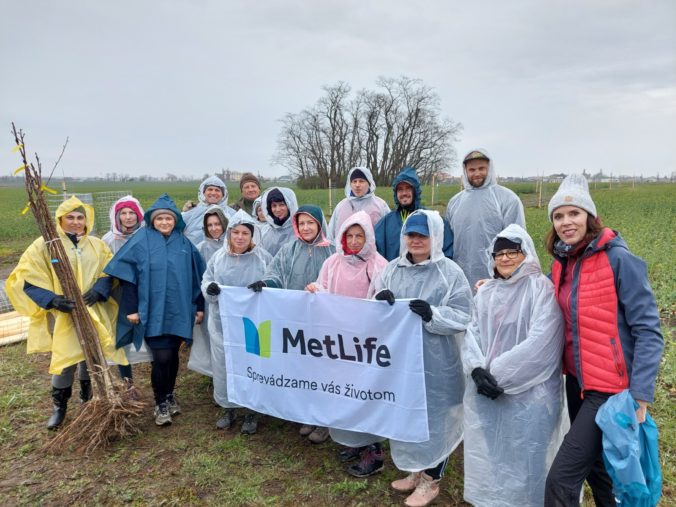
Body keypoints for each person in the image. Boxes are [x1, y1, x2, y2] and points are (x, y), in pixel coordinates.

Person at [543, 175, 664, 506]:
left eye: (574, 213)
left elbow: (649, 331)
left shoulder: (618, 260)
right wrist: (497, 283)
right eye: (559, 216)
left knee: (561, 480)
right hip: (577, 382)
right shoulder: (561, 265)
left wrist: (640, 396)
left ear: (589, 217)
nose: (566, 222)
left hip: (610, 390)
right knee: (599, 470)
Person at [373, 210, 472, 507]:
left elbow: (464, 314)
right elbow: (376, 301)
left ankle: (432, 480)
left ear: (435, 238)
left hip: (438, 361)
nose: (415, 240)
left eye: (422, 235)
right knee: (409, 413)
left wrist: (433, 314)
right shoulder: (392, 270)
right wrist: (381, 302)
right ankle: (416, 468)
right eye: (411, 235)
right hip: (403, 360)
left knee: (437, 419)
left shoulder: (450, 273)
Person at [462, 224, 566, 507]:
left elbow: (541, 345)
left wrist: (493, 375)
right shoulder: (486, 293)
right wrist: (475, 369)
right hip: (488, 391)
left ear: (526, 254)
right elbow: (472, 333)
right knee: (496, 455)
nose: (505, 258)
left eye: (512, 252)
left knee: (529, 458)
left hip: (531, 395)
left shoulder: (541, 290)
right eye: (499, 254)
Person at [6, 196, 126, 429]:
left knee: (89, 354)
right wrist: (52, 300)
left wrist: (100, 289)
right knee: (65, 360)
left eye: (80, 217)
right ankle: (59, 407)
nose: (75, 222)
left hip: (91, 310)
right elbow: (27, 279)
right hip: (63, 314)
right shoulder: (45, 245)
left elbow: (108, 271)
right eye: (70, 217)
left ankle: (87, 399)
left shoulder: (96, 244)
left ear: (86, 219)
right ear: (60, 219)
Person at [104, 194, 206, 427]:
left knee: (171, 356)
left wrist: (199, 306)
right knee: (161, 357)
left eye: (168, 219)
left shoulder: (184, 244)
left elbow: (197, 277)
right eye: (160, 218)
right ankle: (160, 402)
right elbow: (128, 277)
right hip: (151, 310)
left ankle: (169, 395)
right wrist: (131, 308)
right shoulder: (141, 240)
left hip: (180, 309)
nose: (164, 222)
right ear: (152, 220)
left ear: (175, 221)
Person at [305, 210, 389, 472]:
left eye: (359, 235)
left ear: (368, 237)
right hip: (338, 340)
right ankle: (355, 441)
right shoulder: (333, 263)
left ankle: (373, 450)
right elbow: (325, 289)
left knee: (366, 392)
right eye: (349, 235)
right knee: (345, 391)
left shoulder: (379, 265)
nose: (354, 241)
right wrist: (315, 290)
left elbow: (382, 300)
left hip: (365, 341)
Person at [248, 204, 334, 443]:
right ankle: (308, 413)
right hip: (296, 321)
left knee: (324, 370)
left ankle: (324, 420)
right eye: (302, 223)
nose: (306, 228)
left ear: (319, 224)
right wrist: (266, 284)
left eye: (310, 223)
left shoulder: (333, 252)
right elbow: (276, 273)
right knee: (302, 367)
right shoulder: (289, 249)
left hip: (324, 323)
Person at [202, 210, 273, 434]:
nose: (240, 237)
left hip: (254, 325)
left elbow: (275, 280)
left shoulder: (263, 258)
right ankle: (228, 407)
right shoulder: (218, 258)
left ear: (252, 236)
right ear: (229, 234)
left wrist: (265, 285)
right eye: (236, 233)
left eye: (245, 233)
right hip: (223, 324)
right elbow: (206, 279)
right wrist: (209, 289)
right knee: (225, 366)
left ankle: (252, 410)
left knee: (253, 364)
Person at [445, 149, 525, 288]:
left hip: (497, 279)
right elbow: (448, 243)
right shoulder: (455, 202)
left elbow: (517, 241)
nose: (477, 173)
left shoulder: (507, 199)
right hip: (461, 277)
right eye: (472, 169)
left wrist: (505, 278)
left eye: (482, 168)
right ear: (465, 171)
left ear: (490, 169)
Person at [101, 195, 150, 393]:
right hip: (119, 295)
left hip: (146, 292)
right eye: (124, 213)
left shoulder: (148, 235)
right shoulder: (109, 240)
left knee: (151, 336)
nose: (128, 217)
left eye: (132, 213)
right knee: (122, 337)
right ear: (117, 216)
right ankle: (128, 384)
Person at [375, 166, 453, 261]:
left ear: (415, 191)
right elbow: (375, 253)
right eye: (400, 189)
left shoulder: (431, 219)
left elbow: (447, 252)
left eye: (408, 188)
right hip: (395, 274)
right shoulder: (386, 223)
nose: (404, 193)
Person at [187, 206, 229, 378]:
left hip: (230, 302)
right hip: (208, 303)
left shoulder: (234, 244)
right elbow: (195, 279)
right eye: (210, 225)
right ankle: (217, 377)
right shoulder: (199, 248)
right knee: (213, 340)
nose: (214, 228)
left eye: (217, 224)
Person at [327, 167, 390, 242]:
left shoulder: (380, 205)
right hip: (344, 253)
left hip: (373, 252)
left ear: (369, 183)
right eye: (354, 181)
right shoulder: (341, 206)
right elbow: (331, 233)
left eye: (361, 181)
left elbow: (389, 231)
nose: (357, 185)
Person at [182, 175, 235, 245]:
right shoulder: (191, 213)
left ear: (223, 194)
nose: (213, 193)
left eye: (217, 190)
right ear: (203, 193)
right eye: (210, 189)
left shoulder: (233, 214)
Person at [258, 186, 298, 257]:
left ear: (290, 206)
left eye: (281, 205)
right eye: (274, 206)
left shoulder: (299, 230)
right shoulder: (266, 230)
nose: (278, 209)